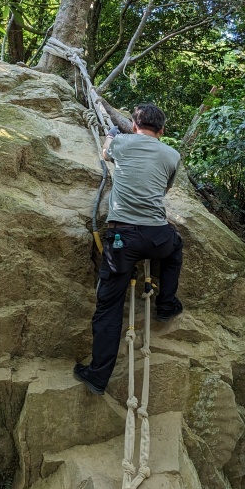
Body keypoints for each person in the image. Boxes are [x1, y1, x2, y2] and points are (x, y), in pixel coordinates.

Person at [74, 102, 184, 395]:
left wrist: (110, 134)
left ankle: (98, 376)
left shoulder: (121, 143)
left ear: (135, 126)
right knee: (176, 248)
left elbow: (105, 152)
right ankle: (166, 304)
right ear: (162, 130)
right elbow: (164, 190)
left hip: (122, 239)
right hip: (157, 237)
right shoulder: (172, 155)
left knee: (108, 308)